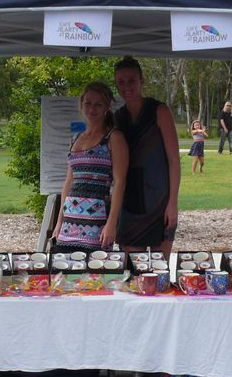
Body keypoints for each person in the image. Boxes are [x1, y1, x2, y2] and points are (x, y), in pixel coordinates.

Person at [113, 56, 181, 256]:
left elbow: (174, 161)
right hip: (129, 201)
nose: (127, 87)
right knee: (135, 272)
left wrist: (173, 204)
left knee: (159, 272)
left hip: (159, 198)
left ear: (142, 81)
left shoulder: (159, 111)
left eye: (132, 80)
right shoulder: (118, 117)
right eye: (121, 82)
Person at [52, 82, 128, 252]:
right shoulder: (75, 137)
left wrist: (111, 224)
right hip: (69, 218)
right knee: (64, 270)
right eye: (88, 103)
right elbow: (68, 182)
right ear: (81, 104)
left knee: (95, 273)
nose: (92, 109)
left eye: (98, 104)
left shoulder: (113, 138)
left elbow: (120, 182)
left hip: (96, 219)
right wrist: (59, 221)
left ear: (106, 107)